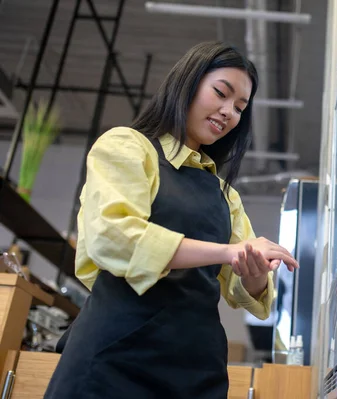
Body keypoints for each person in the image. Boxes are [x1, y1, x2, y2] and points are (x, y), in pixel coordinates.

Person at [44, 41, 299, 399]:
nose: (229, 112)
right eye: (221, 94)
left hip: (195, 367)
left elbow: (245, 294)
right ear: (188, 83)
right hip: (115, 356)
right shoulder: (128, 147)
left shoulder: (226, 196)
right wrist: (226, 252)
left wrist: (253, 269)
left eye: (240, 107)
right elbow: (114, 237)